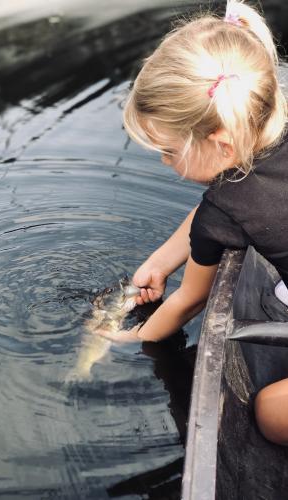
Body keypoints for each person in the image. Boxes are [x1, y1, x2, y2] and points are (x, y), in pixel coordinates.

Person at [97, 0, 288, 445]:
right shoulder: (270, 128)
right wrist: (160, 263)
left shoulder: (227, 209)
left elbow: (187, 301)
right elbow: (216, 209)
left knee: (271, 413)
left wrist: (132, 337)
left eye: (168, 150)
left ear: (221, 145)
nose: (165, 162)